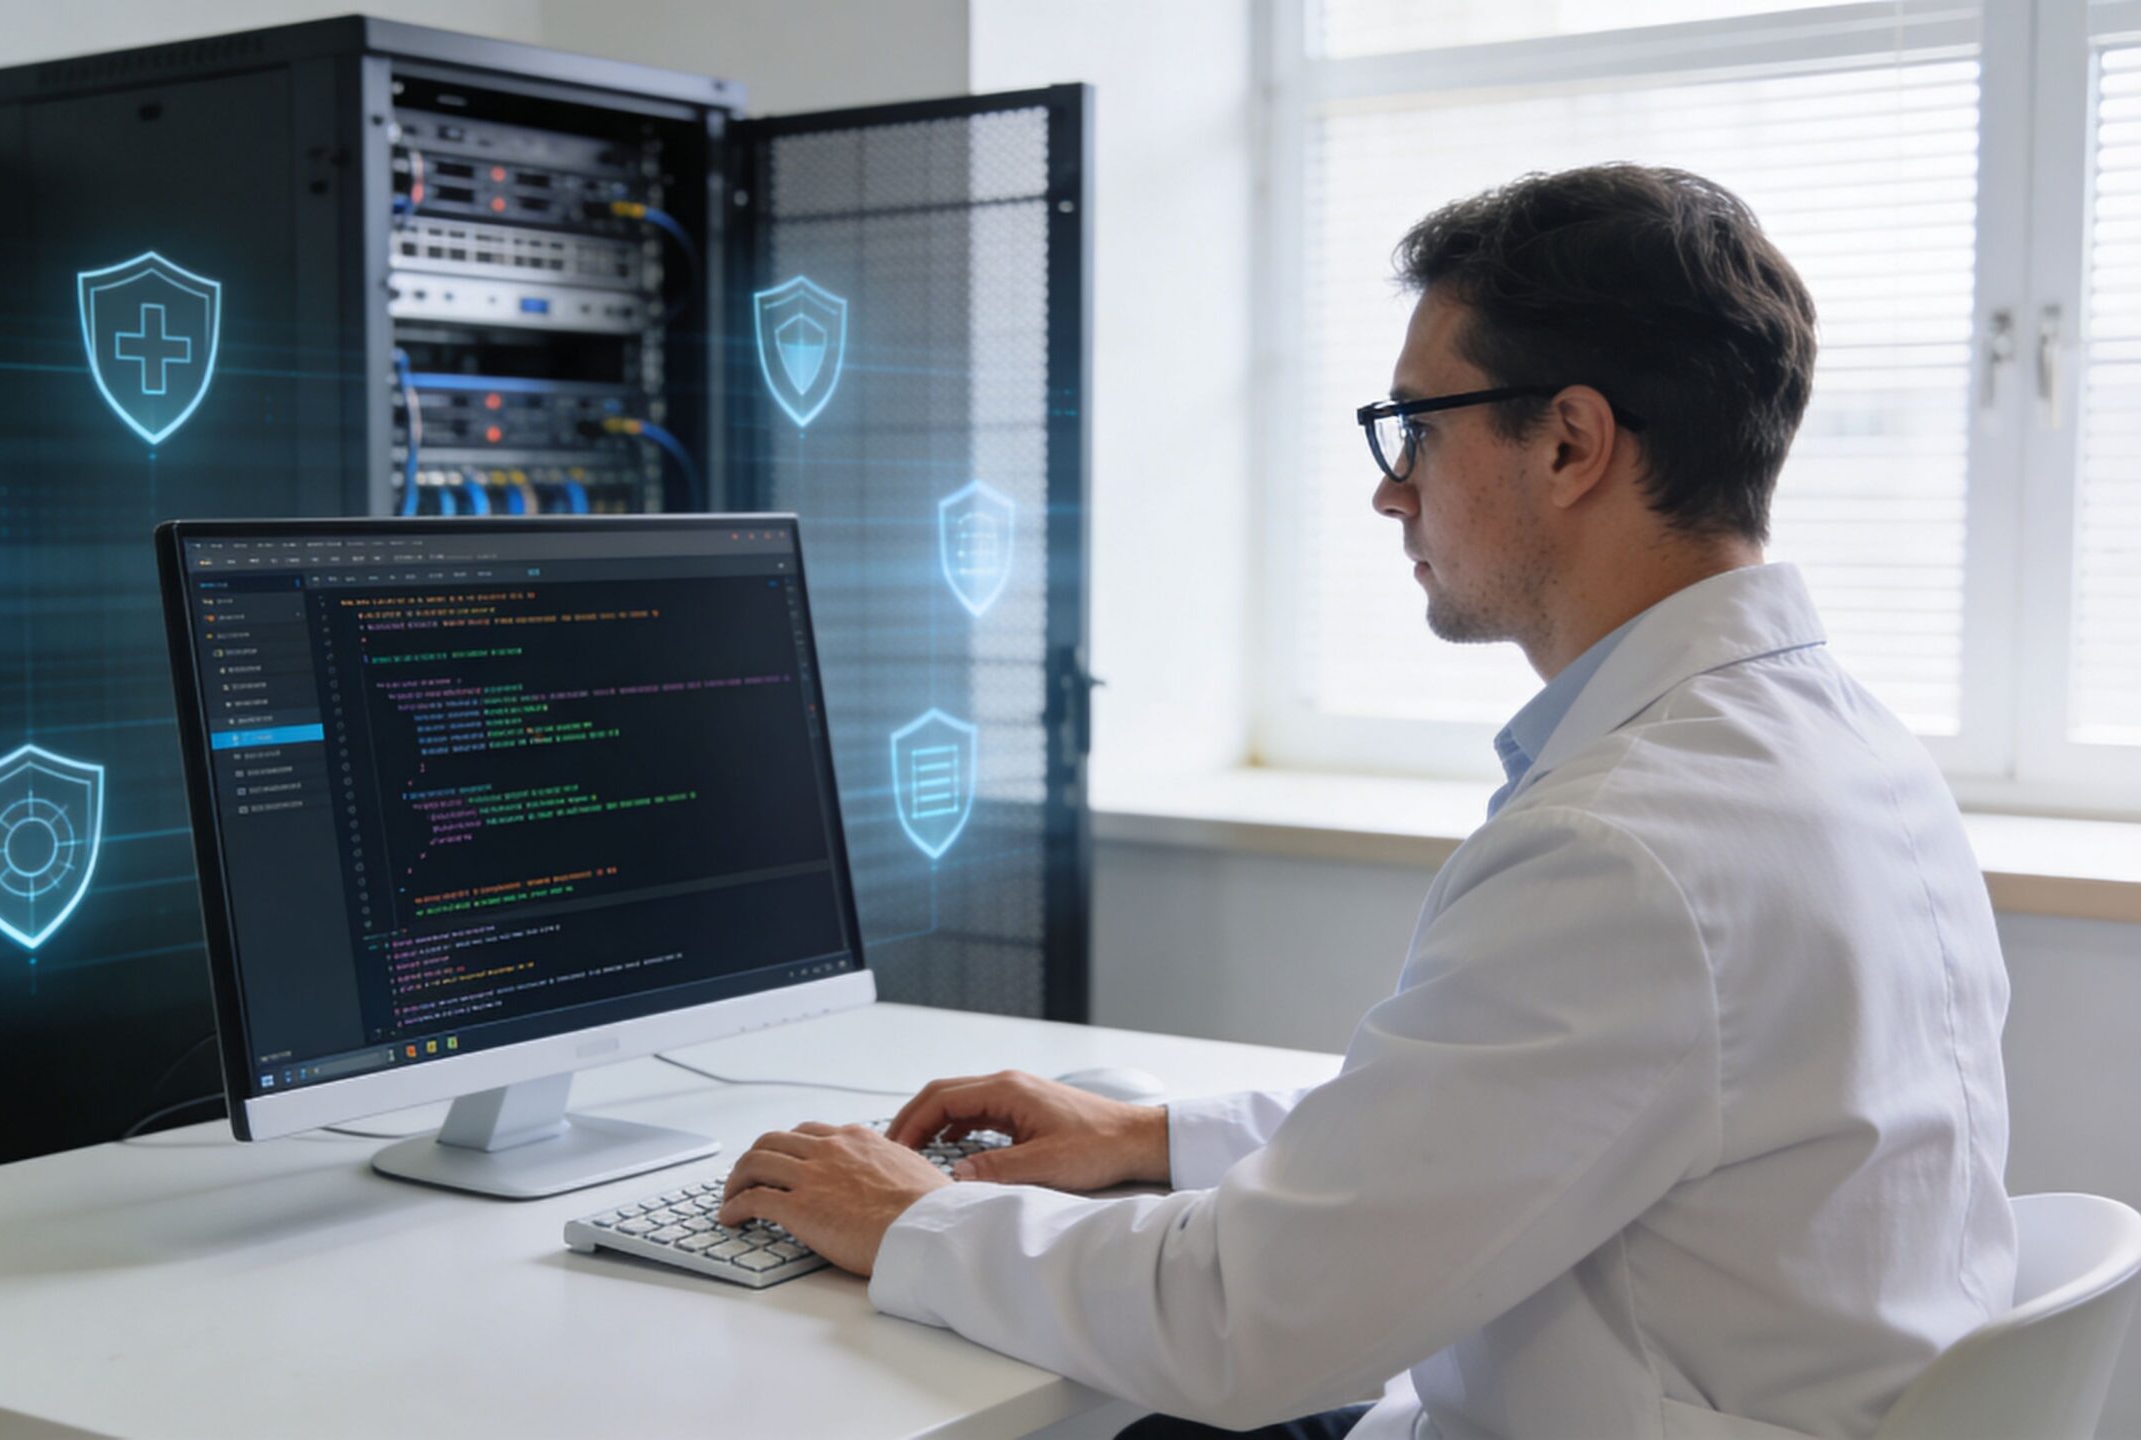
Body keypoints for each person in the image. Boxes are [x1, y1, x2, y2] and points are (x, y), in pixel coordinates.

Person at [714, 164, 2015, 1440]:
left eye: (1417, 427)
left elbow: (1241, 1325)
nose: (1391, 489)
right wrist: (1152, 1136)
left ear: (1570, 442)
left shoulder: (1631, 847)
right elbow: (1514, 1127)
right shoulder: (1844, 754)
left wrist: (910, 1218)